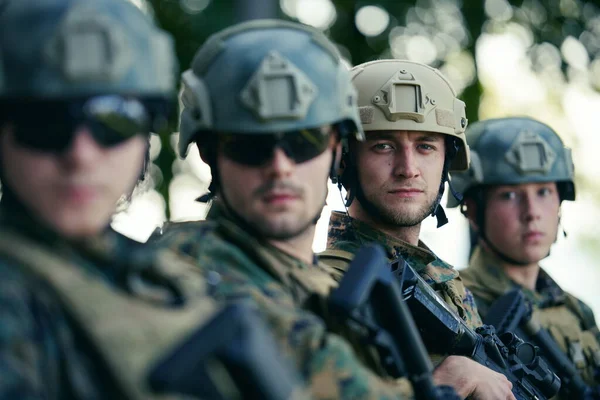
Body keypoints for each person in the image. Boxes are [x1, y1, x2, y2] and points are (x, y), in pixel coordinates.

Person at [0, 1, 279, 398]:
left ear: (147, 130)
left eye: (113, 119)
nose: (81, 154)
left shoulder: (159, 272)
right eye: (44, 122)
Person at [154, 19, 426, 399]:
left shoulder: (318, 285)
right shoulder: (181, 280)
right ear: (210, 154)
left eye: (304, 140)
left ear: (336, 149)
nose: (279, 166)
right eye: (250, 144)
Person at [319, 60, 515, 399]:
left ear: (446, 161)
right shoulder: (327, 286)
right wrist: (448, 383)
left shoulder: (444, 281)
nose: (408, 169)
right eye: (383, 145)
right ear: (345, 159)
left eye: (425, 146)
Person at [447, 116, 600, 387]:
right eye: (509, 195)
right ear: (472, 209)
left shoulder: (575, 311)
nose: (532, 213)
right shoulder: (453, 304)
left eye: (543, 192)